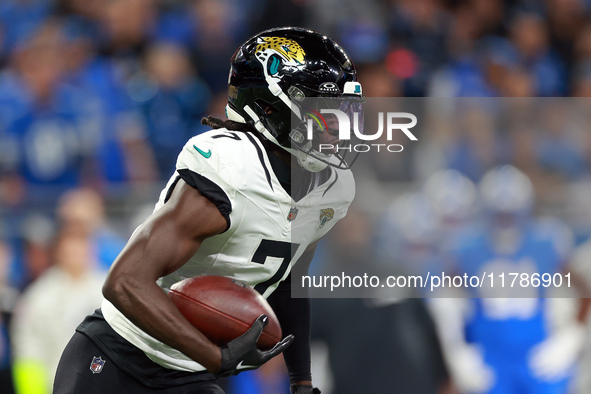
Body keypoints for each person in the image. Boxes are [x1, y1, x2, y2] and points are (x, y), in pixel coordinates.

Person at [53, 27, 363, 394]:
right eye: (319, 110)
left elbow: (290, 281)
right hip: (117, 358)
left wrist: (301, 382)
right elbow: (124, 282)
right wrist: (215, 357)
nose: (335, 127)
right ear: (268, 104)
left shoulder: (332, 188)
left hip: (189, 371)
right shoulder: (231, 168)